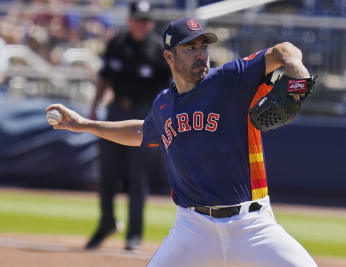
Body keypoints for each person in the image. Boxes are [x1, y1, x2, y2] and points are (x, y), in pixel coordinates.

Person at [47, 17, 318, 266]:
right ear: (169, 56)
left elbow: (284, 51)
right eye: (190, 48)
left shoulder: (231, 78)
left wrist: (297, 71)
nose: (201, 54)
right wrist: (83, 125)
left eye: (203, 46)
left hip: (252, 225)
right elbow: (142, 132)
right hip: (193, 228)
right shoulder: (164, 103)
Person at [85, 1, 171, 251]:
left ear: (151, 23)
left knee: (138, 177)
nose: (141, 24)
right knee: (107, 174)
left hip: (144, 115)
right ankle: (106, 223)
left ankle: (133, 234)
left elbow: (167, 88)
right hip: (114, 111)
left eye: (145, 20)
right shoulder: (117, 43)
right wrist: (94, 106)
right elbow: (104, 76)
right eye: (137, 19)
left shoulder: (157, 50)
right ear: (130, 20)